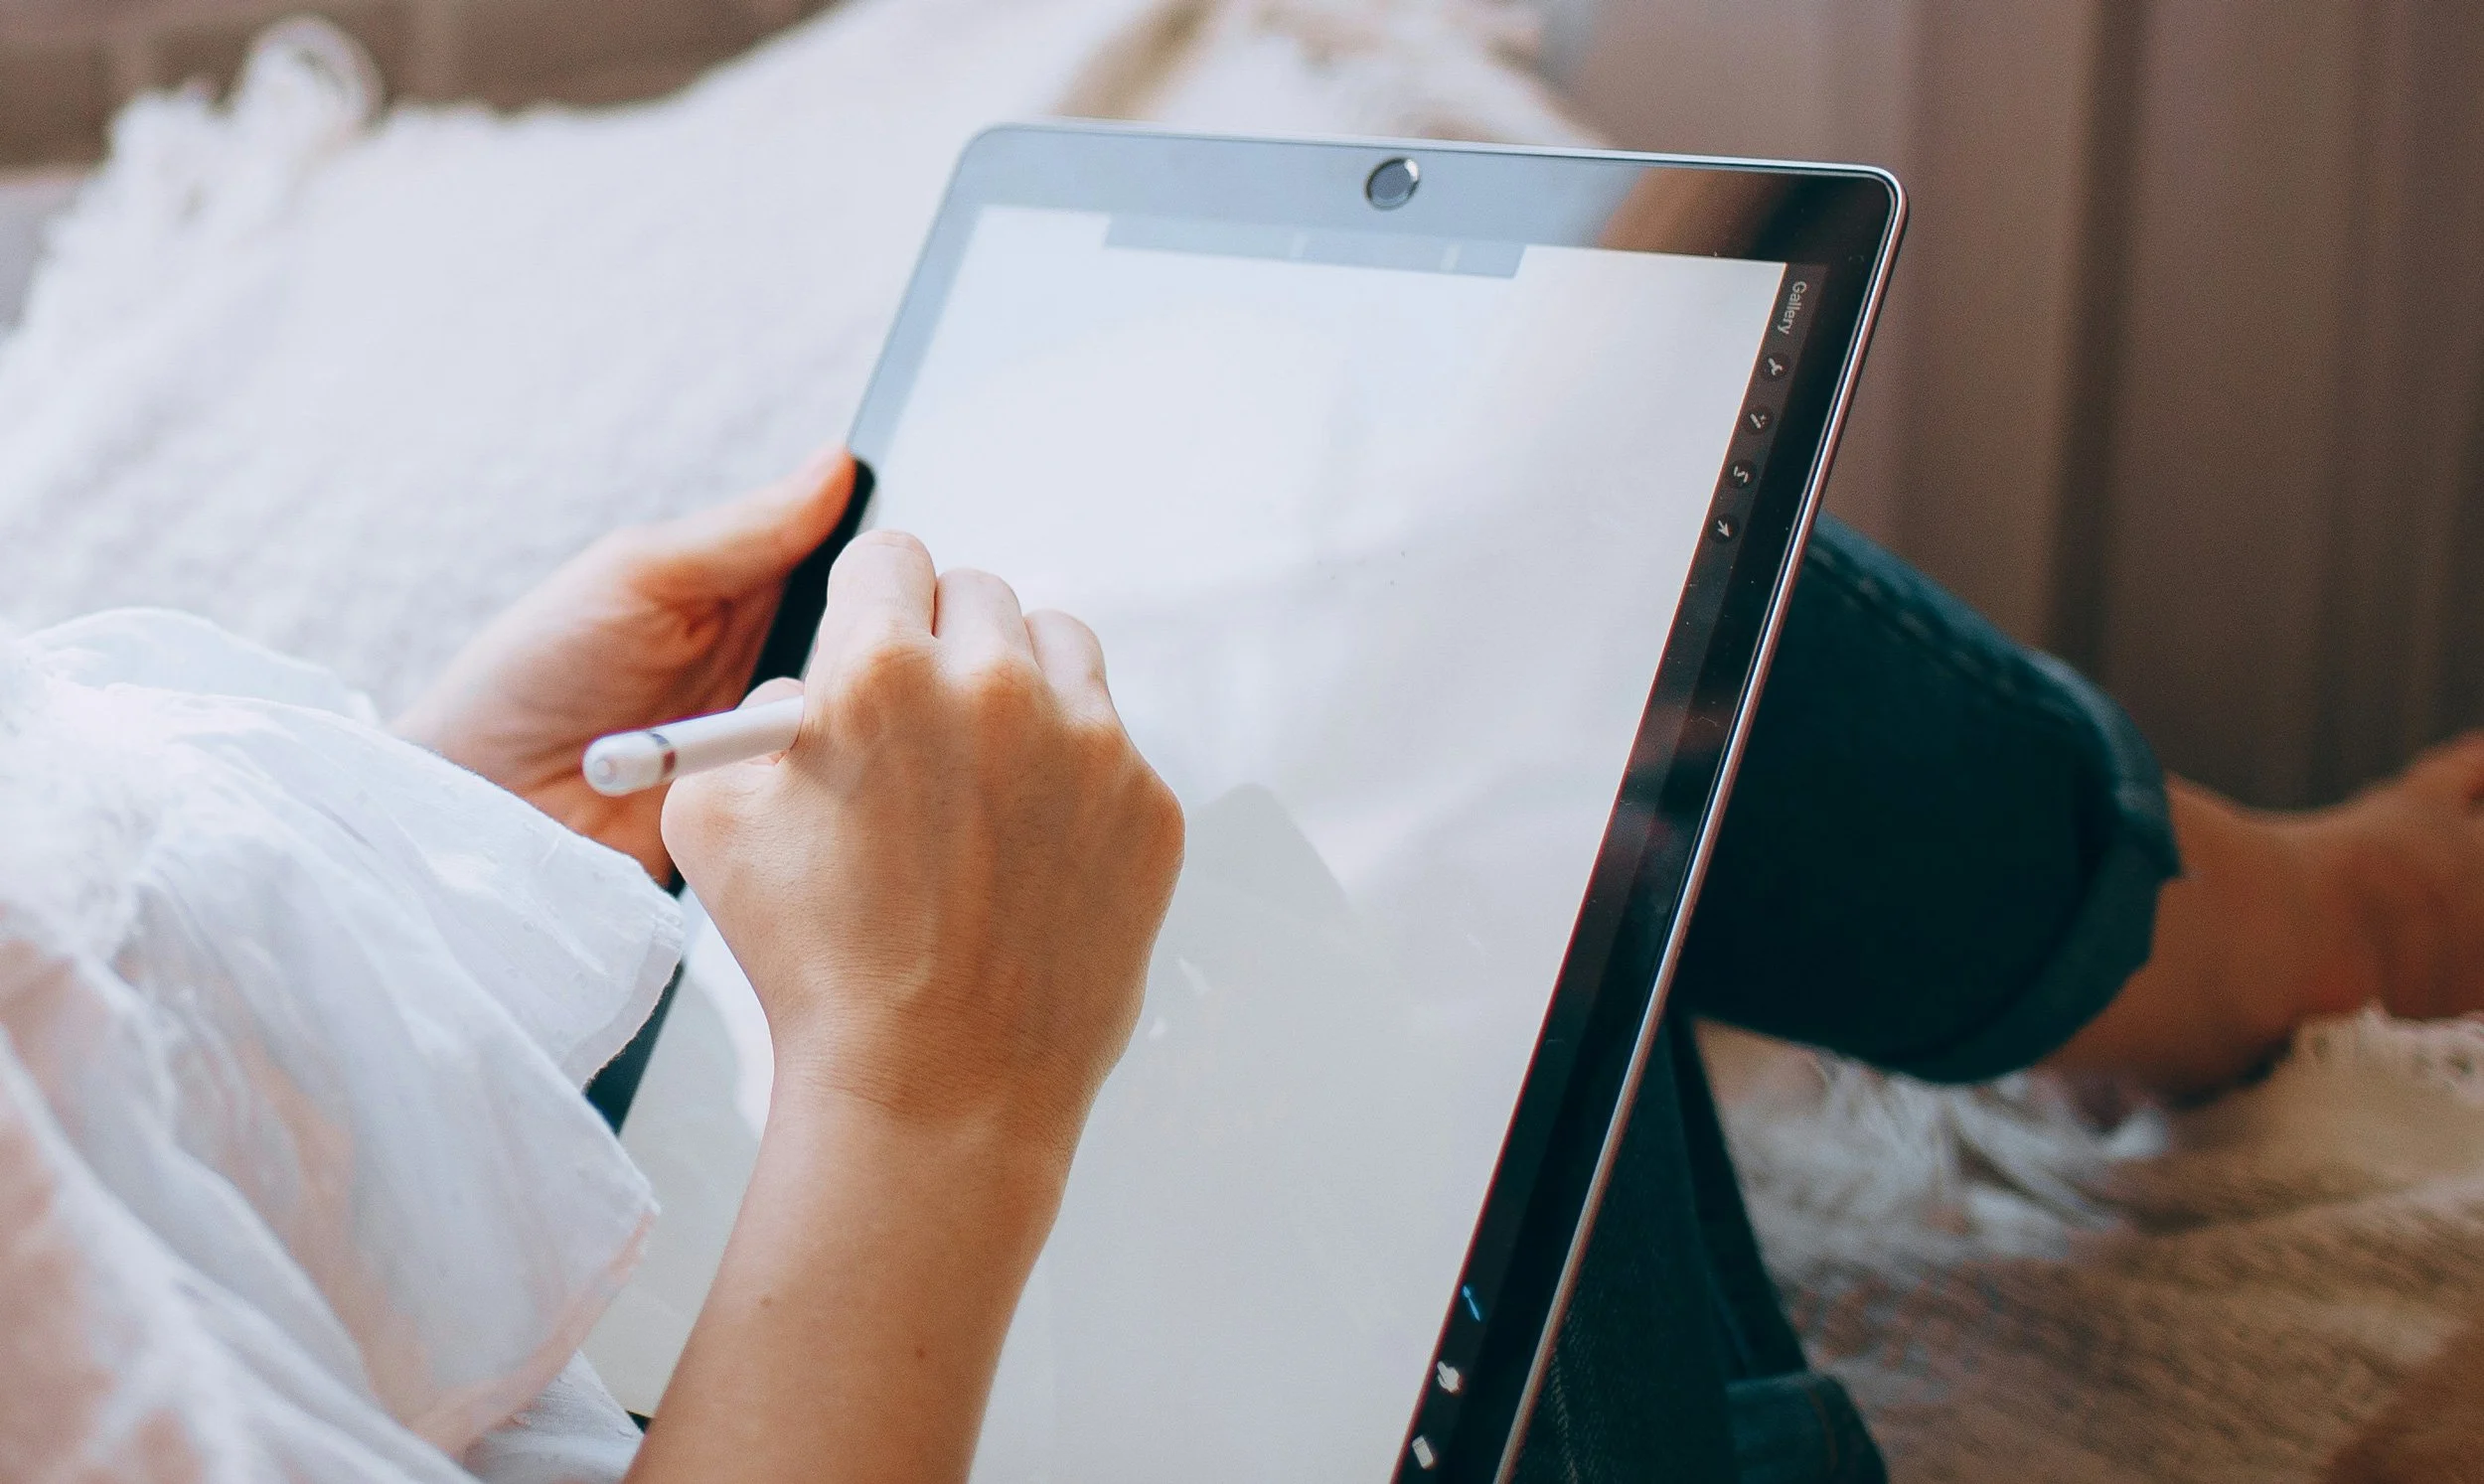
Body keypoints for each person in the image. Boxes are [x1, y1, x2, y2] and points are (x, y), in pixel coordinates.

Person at [388, 449, 2484, 1483]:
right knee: (1584, 600)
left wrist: (426, 835)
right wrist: (912, 1098)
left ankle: (2228, 929)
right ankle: (2309, 928)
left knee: (1310, 708)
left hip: (527, 1243)